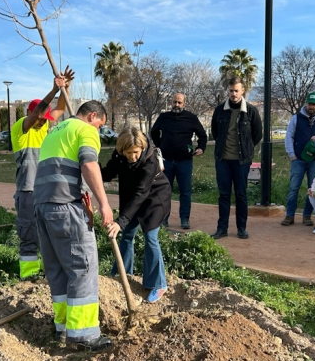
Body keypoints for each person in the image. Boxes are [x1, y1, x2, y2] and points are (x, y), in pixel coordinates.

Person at [33, 100, 113, 351]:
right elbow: (89, 164)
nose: (99, 132)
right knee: (82, 266)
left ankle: (63, 328)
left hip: (42, 206)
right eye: (100, 126)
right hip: (66, 207)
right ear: (92, 117)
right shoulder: (85, 130)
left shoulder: (56, 130)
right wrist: (104, 203)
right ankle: (85, 335)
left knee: (57, 268)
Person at [11, 67, 74, 280]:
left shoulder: (46, 127)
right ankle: (28, 278)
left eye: (46, 119)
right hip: (28, 191)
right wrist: (53, 90)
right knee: (29, 234)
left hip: (47, 193)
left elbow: (59, 109)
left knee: (50, 235)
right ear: (30, 114)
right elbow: (40, 112)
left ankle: (48, 275)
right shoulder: (21, 128)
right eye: (41, 118)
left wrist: (65, 88)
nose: (44, 121)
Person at [101, 127, 171, 303]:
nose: (132, 156)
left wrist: (120, 221)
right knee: (127, 235)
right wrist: (89, 166)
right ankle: (121, 275)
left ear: (141, 148)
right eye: (129, 152)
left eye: (135, 152)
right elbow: (107, 174)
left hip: (155, 199)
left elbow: (142, 192)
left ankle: (158, 284)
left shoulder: (150, 160)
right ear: (122, 149)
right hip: (132, 199)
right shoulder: (119, 156)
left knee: (151, 237)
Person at [210, 77, 263, 240]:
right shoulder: (219, 110)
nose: (233, 94)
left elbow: (257, 134)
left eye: (236, 90)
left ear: (242, 91)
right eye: (231, 90)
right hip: (223, 159)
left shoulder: (251, 111)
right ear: (228, 91)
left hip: (242, 161)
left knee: (241, 194)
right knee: (224, 194)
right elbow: (215, 132)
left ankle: (242, 228)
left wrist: (246, 149)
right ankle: (222, 228)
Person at [150, 93, 207, 229]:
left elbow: (202, 135)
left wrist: (201, 148)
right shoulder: (164, 117)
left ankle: (184, 219)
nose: (177, 105)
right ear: (171, 103)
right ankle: (163, 219)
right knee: (164, 191)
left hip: (184, 161)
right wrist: (160, 145)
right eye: (175, 102)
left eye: (179, 102)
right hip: (166, 161)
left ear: (184, 104)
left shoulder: (191, 118)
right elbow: (154, 132)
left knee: (185, 191)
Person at [282, 92, 315, 227]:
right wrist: (292, 155)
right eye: (309, 103)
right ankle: (289, 215)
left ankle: (307, 215)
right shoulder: (296, 118)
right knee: (294, 187)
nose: (311, 106)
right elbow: (289, 136)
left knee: (313, 189)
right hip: (298, 159)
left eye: (314, 104)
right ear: (306, 103)